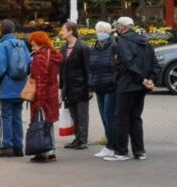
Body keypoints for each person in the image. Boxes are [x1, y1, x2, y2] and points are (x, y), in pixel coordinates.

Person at [104, 17, 157, 162]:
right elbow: (154, 63)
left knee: (121, 118)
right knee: (135, 118)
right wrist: (150, 79)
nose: (117, 29)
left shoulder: (122, 41)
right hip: (141, 87)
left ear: (121, 27)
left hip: (127, 85)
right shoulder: (144, 41)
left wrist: (142, 79)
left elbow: (128, 62)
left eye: (118, 26)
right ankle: (139, 151)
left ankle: (121, 152)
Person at [0, 20, 31, 158]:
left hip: (6, 86)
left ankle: (7, 146)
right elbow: (29, 64)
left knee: (6, 116)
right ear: (13, 30)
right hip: (21, 86)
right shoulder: (22, 44)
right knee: (17, 117)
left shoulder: (2, 46)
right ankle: (19, 147)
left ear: (1, 30)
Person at [27, 31, 63, 162]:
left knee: (40, 123)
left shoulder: (39, 57)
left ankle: (43, 151)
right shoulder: (52, 54)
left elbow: (40, 80)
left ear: (40, 43)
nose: (32, 48)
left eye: (34, 45)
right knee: (48, 123)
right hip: (52, 93)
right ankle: (51, 150)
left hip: (42, 95)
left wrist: (40, 100)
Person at [59, 21, 91, 150]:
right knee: (73, 114)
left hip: (81, 86)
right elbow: (62, 70)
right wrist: (61, 87)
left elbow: (88, 68)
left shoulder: (82, 47)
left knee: (82, 114)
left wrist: (90, 88)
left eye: (63, 30)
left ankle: (83, 140)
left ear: (71, 31)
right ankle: (77, 139)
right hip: (69, 87)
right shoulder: (64, 48)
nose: (61, 32)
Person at [89, 21, 117, 158]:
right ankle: (109, 144)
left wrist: (113, 80)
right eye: (99, 30)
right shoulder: (95, 47)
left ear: (108, 32)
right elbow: (91, 67)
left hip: (111, 87)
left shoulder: (114, 46)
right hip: (99, 85)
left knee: (108, 115)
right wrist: (91, 83)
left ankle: (112, 146)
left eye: (103, 31)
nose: (100, 33)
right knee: (104, 117)